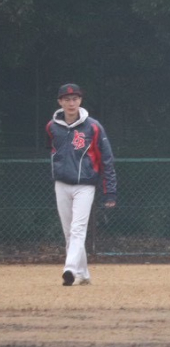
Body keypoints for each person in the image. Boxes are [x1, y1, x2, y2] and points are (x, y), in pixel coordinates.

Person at [47, 84, 118, 286]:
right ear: (60, 102)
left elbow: (106, 159)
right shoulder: (52, 127)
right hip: (61, 184)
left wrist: (109, 191)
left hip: (85, 185)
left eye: (75, 99)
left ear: (81, 101)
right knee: (69, 231)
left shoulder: (93, 126)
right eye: (67, 99)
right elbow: (53, 151)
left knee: (78, 229)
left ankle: (69, 268)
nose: (71, 103)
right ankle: (83, 274)